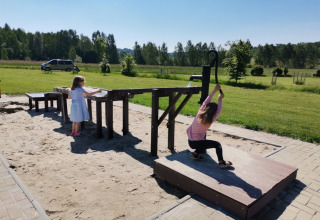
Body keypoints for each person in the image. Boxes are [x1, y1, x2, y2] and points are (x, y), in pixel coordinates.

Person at [186, 84, 232, 168]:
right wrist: (220, 99)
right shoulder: (211, 119)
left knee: (203, 141)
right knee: (217, 144)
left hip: (190, 142)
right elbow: (219, 111)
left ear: (205, 108)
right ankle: (221, 162)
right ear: (214, 113)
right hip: (198, 143)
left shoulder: (199, 114)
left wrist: (215, 90)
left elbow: (206, 101)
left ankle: (195, 154)